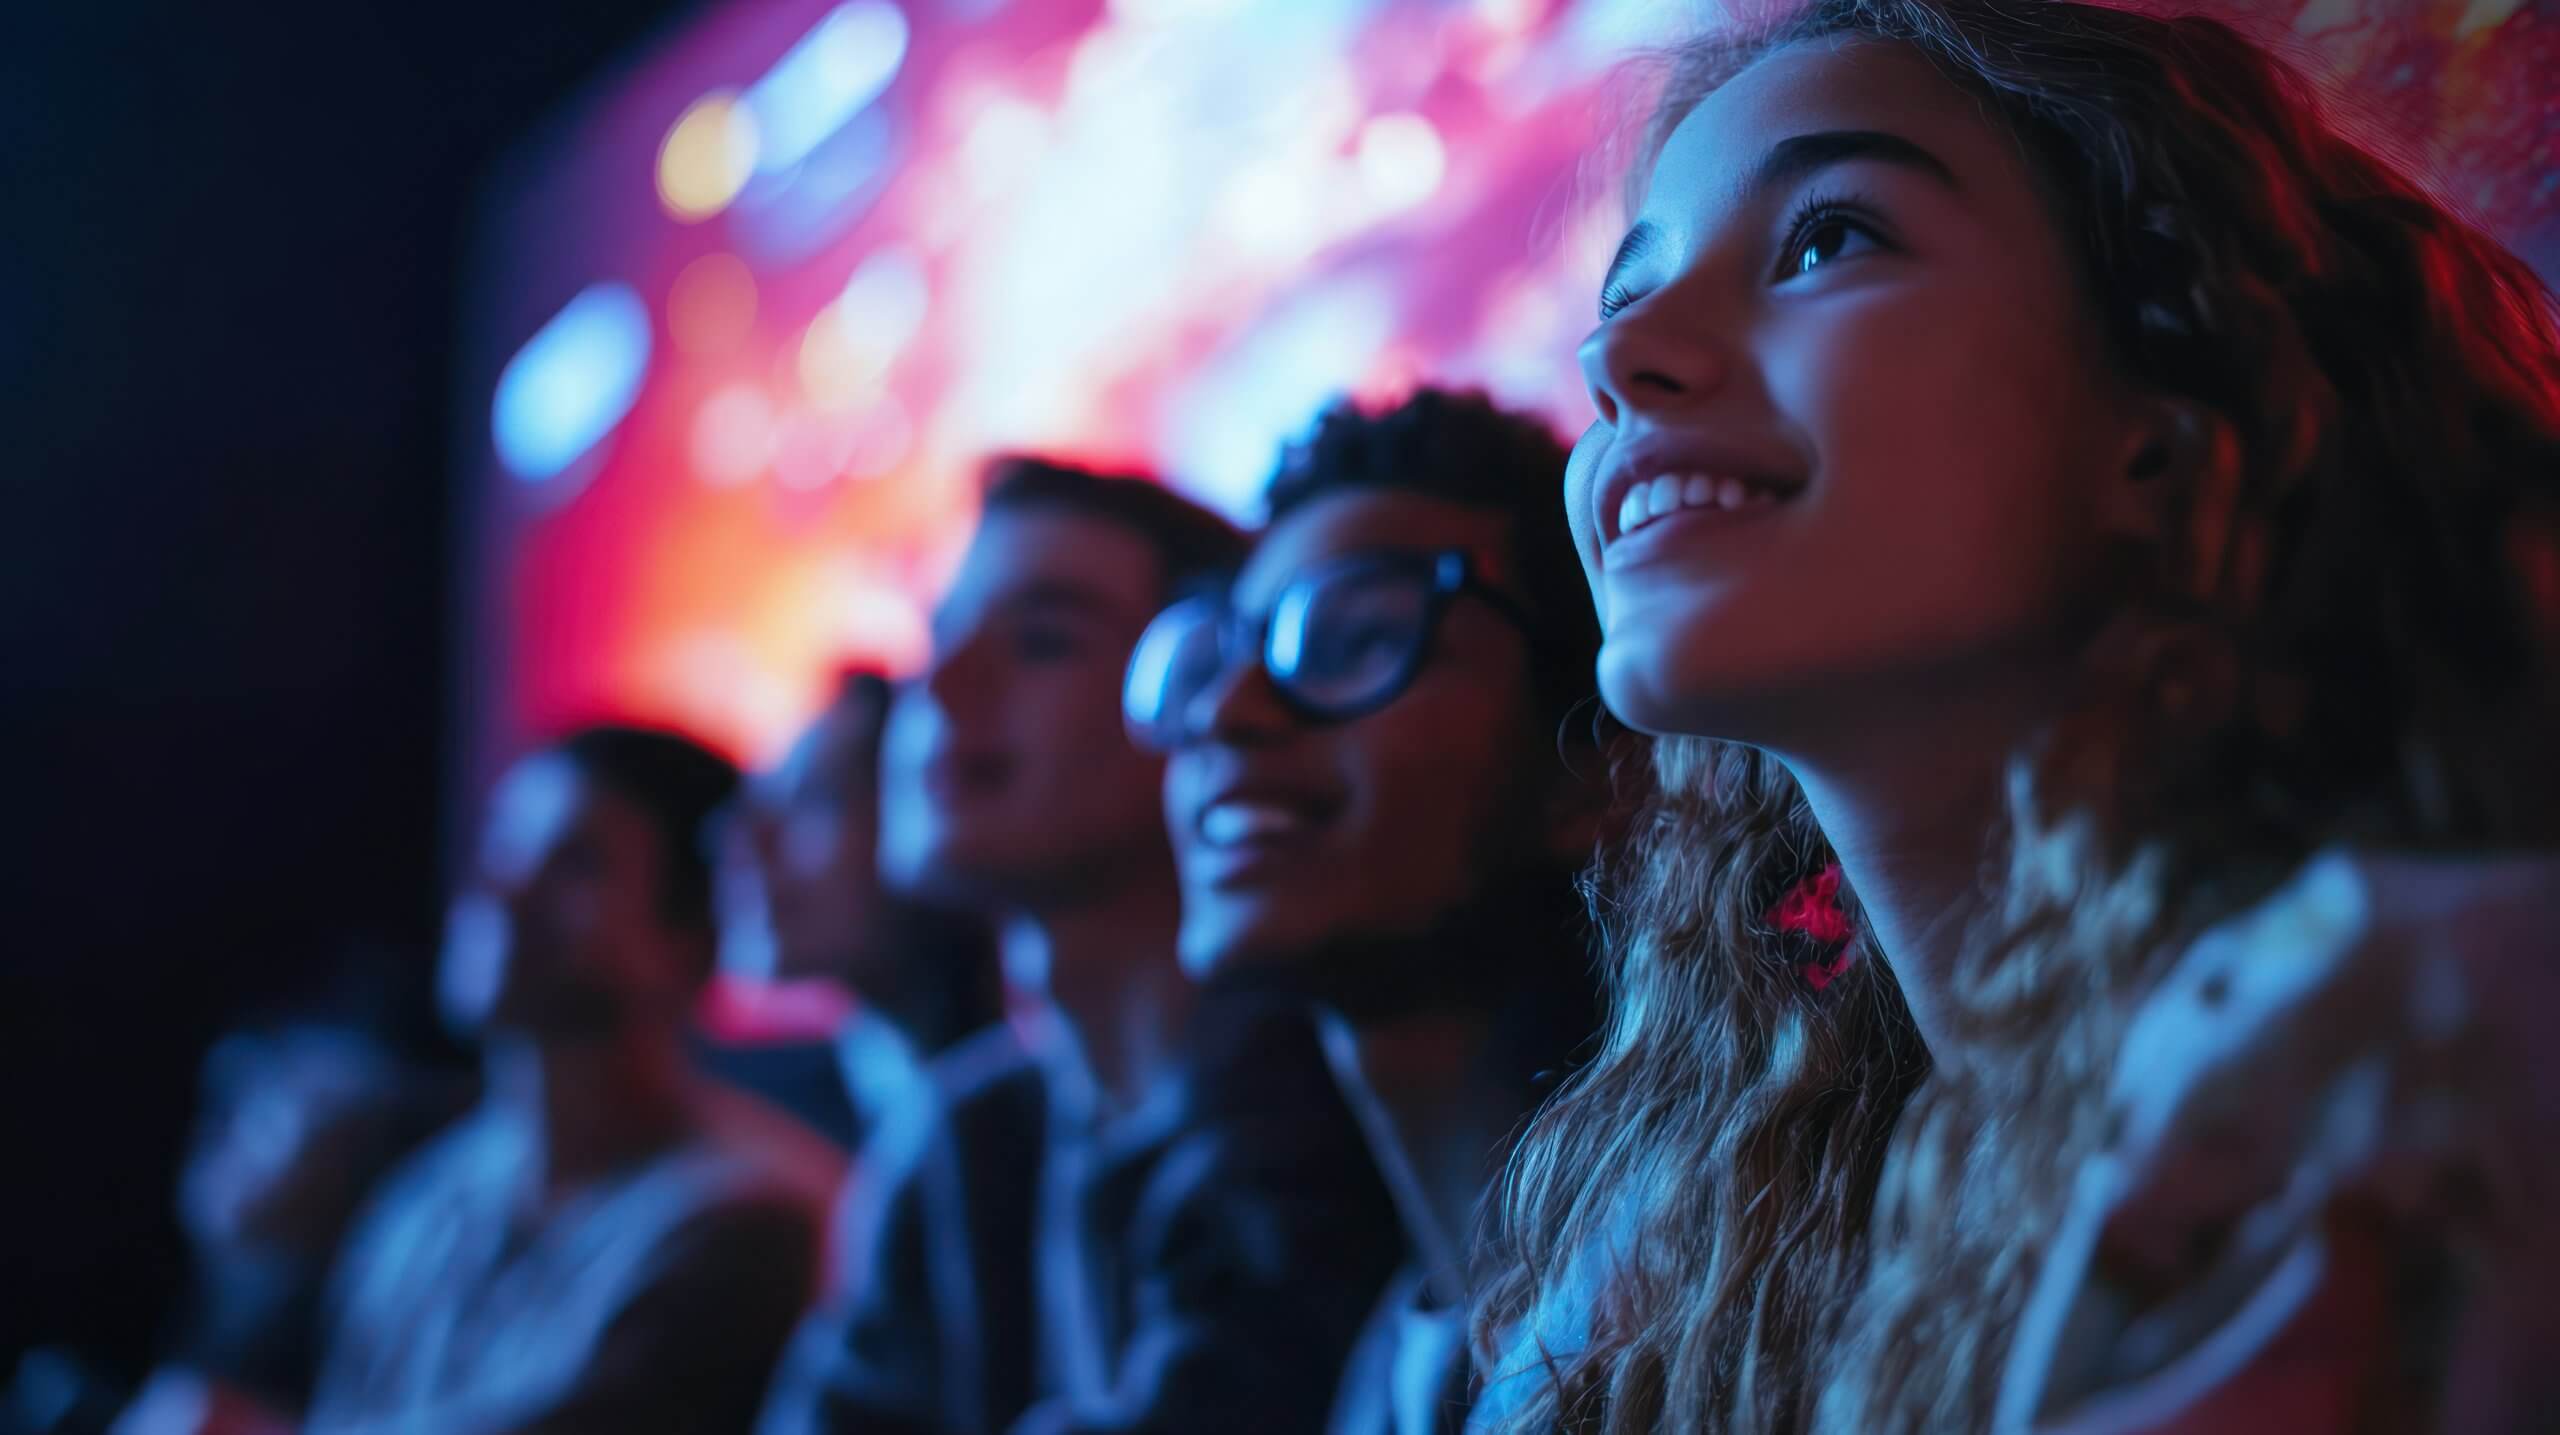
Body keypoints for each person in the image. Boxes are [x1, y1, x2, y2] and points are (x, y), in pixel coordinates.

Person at [1468, 1, 2560, 1431]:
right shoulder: (1716, 1237)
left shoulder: (2416, 1042)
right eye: (1620, 300)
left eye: (1828, 237)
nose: (1621, 361)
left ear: (2166, 406)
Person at [763, 457, 1392, 1435]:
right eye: (939, 638)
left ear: (1206, 698)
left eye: (1042, 640)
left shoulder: (1339, 1098)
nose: (943, 683)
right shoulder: (962, 1139)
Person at [1127, 387, 1614, 1434]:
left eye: (1352, 636)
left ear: (1593, 768)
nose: (1224, 710)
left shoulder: (1747, 1275)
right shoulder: (1392, 1365)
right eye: (1212, 657)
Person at [302, 725, 833, 1435]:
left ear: (696, 937)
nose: (502, 889)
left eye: (575, 864)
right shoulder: (427, 1202)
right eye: (504, 848)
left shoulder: (747, 1215)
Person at [700, 668, 1002, 1155]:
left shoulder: (1030, 1099)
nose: (748, 845)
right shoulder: (774, 1122)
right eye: (764, 807)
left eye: (817, 801)